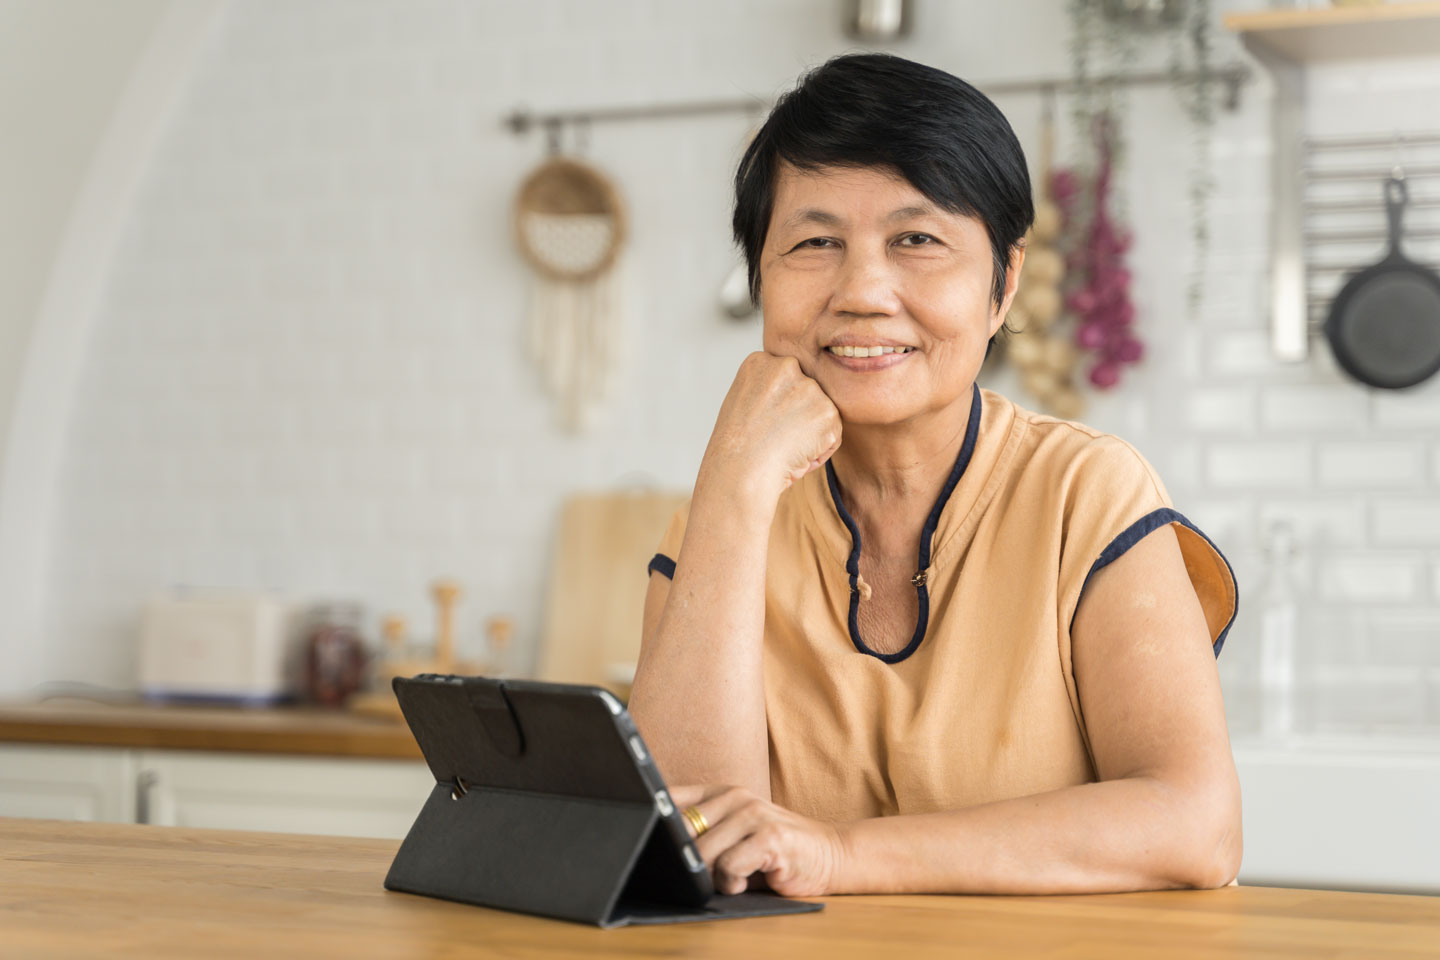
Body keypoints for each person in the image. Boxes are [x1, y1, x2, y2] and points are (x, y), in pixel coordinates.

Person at [627, 52, 1240, 898]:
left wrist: (841, 857)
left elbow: (1195, 824)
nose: (864, 291)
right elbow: (686, 846)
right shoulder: (726, 516)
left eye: (916, 240)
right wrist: (732, 492)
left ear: (1005, 284)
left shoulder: (1088, 492)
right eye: (815, 242)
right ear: (760, 277)